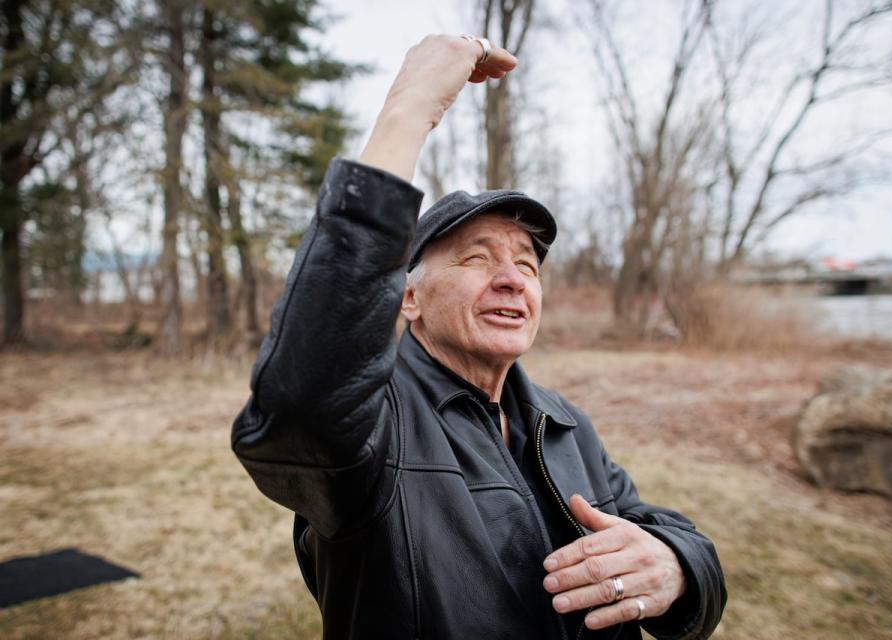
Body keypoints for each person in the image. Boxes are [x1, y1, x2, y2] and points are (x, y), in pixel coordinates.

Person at [232, 34, 726, 640]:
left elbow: (666, 530)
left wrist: (677, 567)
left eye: (527, 265)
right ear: (408, 296)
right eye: (476, 259)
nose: (511, 281)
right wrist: (410, 107)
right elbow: (302, 398)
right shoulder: (371, 426)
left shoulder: (561, 421)